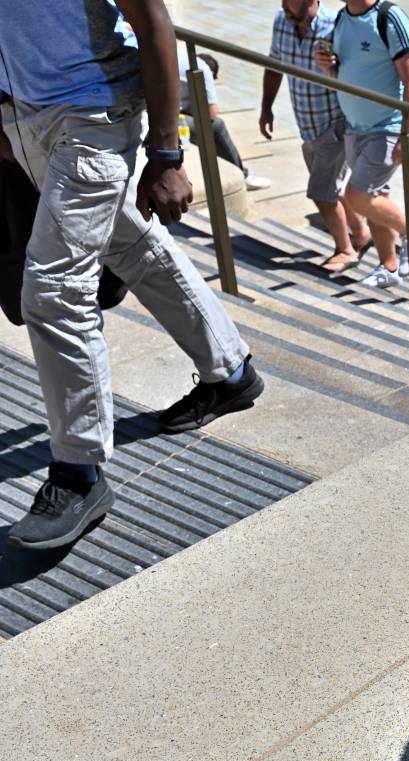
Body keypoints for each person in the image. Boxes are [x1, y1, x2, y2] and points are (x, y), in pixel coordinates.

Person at [0, 0, 262, 550]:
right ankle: (231, 372)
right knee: (136, 246)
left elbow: (152, 21)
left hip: (93, 116)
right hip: (25, 117)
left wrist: (167, 154)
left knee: (52, 292)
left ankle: (78, 473)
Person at [316, 0, 409, 289]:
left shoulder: (390, 17)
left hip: (386, 127)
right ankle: (389, 266)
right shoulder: (342, 18)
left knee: (357, 195)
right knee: (376, 197)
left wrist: (407, 133)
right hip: (356, 126)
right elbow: (346, 72)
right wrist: (329, 68)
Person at [260, 0, 369, 274]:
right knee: (335, 187)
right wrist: (266, 108)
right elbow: (274, 64)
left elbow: (359, 74)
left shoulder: (336, 27)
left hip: (336, 125)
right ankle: (362, 233)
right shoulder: (281, 21)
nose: (283, 3)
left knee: (321, 193)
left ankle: (345, 250)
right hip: (308, 125)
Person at [177, 47, 272, 191]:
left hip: (144, 110)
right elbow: (211, 114)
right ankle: (243, 176)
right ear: (212, 74)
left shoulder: (182, 55)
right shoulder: (201, 69)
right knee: (216, 126)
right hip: (153, 118)